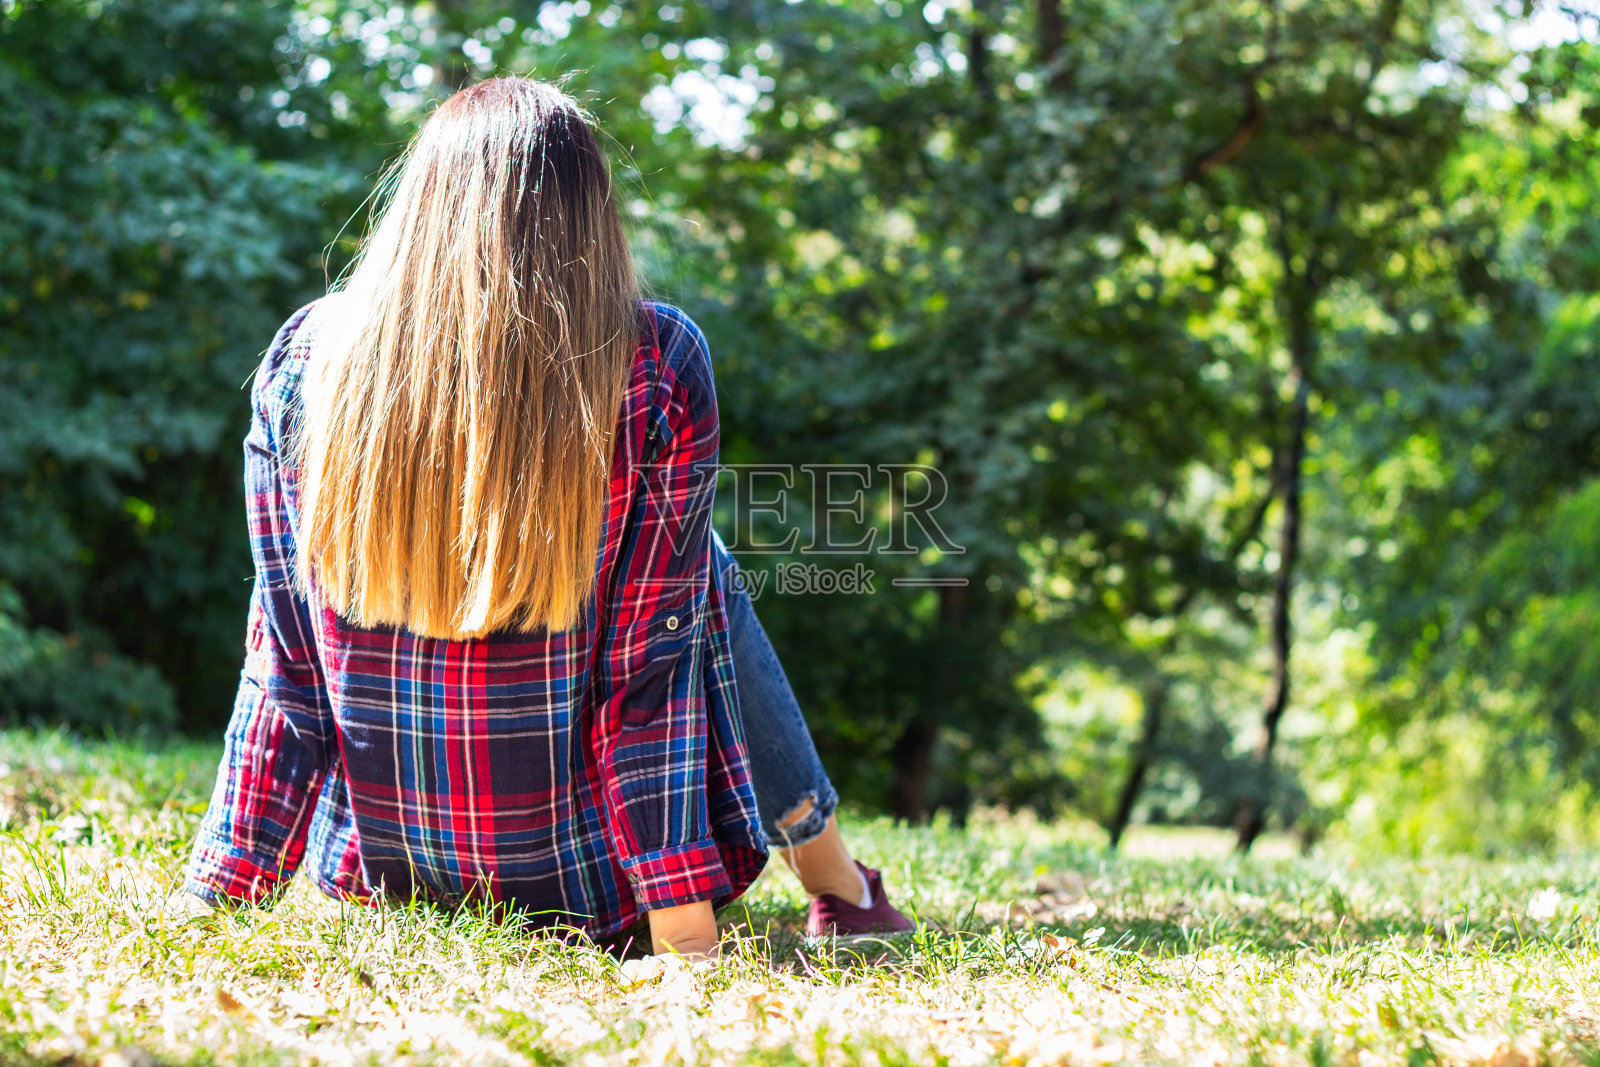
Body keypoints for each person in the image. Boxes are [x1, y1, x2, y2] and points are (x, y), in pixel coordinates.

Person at [180, 77, 909, 956]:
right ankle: (838, 880)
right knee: (697, 568)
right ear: (589, 216)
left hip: (383, 884)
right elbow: (649, 673)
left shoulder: (306, 357)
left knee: (682, 565)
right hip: (582, 894)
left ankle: (840, 879)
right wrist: (681, 930)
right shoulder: (657, 363)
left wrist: (222, 889)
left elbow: (284, 653)